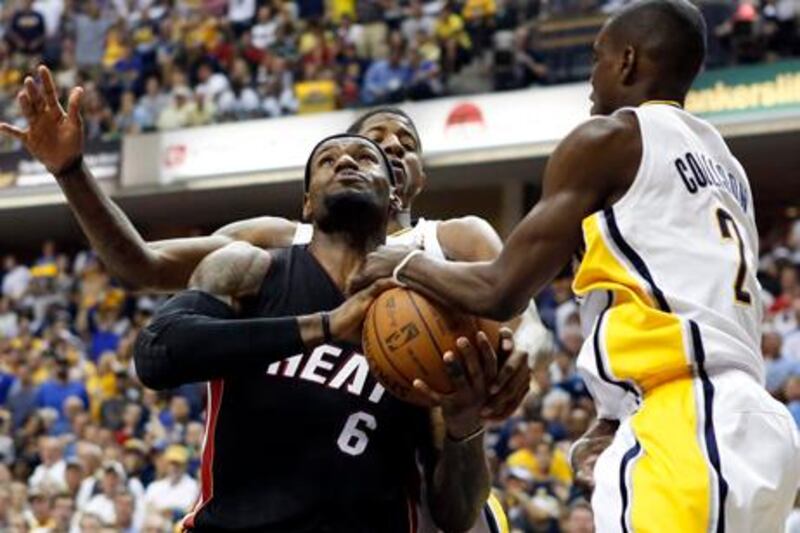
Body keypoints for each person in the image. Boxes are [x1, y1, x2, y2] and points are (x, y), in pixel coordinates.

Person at [351, 0, 800, 530]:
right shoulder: (727, 167)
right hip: (742, 423)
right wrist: (614, 413)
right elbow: (678, 296)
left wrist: (401, 264)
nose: (591, 77)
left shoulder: (608, 139)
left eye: (597, 59)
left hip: (687, 422)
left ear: (628, 61)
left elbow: (500, 290)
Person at [0, 67, 535, 421]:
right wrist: (71, 172)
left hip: (427, 458)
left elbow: (524, 327)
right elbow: (145, 263)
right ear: (309, 195)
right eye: (373, 140)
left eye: (406, 143)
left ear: (411, 178)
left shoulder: (454, 237)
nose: (389, 146)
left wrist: (516, 365)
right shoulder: (273, 244)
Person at [134, 133, 503, 531]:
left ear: (395, 197)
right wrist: (324, 326)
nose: (346, 162)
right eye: (328, 160)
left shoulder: (431, 316)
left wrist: (464, 427)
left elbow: (456, 516)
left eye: (365, 158)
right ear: (307, 204)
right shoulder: (254, 271)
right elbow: (156, 354)